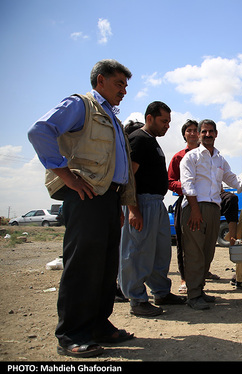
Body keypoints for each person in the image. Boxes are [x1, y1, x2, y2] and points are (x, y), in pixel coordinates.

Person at [27, 59, 135, 358]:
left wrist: (122, 203)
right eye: (119, 84)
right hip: (86, 195)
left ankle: (99, 326)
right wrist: (66, 175)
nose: (124, 91)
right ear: (100, 81)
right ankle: (71, 335)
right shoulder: (81, 105)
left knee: (104, 267)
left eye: (126, 85)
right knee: (83, 266)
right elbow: (40, 131)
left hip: (108, 198)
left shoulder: (110, 116)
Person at [119, 101, 186, 317]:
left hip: (156, 203)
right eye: (163, 121)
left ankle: (161, 292)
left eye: (168, 122)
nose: (167, 126)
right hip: (141, 203)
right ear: (150, 118)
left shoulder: (152, 142)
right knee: (138, 252)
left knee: (159, 252)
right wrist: (133, 209)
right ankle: (137, 299)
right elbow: (129, 177)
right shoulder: (138, 139)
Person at [180, 119, 242, 310]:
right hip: (194, 209)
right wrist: (195, 211)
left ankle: (200, 290)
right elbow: (188, 185)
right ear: (199, 134)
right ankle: (193, 295)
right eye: (204, 132)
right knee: (194, 253)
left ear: (216, 134)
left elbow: (232, 180)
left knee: (208, 252)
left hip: (214, 210)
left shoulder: (220, 159)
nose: (208, 135)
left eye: (211, 132)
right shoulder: (191, 157)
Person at [168, 120, 200, 294]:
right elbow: (170, 182)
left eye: (196, 130)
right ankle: (184, 279)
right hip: (186, 202)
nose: (193, 133)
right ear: (184, 134)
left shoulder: (209, 155)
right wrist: (188, 187)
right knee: (183, 242)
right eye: (189, 130)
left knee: (204, 241)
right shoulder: (178, 157)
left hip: (206, 202)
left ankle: (202, 277)